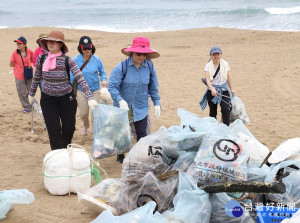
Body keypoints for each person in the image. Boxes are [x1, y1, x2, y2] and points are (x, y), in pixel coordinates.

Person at [28, 31, 98, 150]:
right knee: (53, 130)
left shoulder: (68, 61)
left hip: (67, 99)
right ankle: (57, 154)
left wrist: (90, 98)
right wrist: (32, 93)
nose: (51, 43)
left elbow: (80, 78)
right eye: (49, 41)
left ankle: (65, 150)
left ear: (61, 44)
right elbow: (36, 77)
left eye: (54, 41)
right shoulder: (41, 58)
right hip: (48, 99)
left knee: (68, 129)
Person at [108, 36, 161, 163]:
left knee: (142, 133)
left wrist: (157, 103)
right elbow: (112, 86)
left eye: (144, 54)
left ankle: (139, 158)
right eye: (139, 53)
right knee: (122, 134)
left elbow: (153, 86)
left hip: (141, 106)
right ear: (131, 52)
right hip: (124, 107)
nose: (141, 57)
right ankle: (120, 156)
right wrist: (120, 100)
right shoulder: (122, 67)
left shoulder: (149, 67)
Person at [71, 36, 107, 136]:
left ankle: (95, 131)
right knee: (83, 113)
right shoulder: (75, 60)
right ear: (80, 48)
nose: (87, 50)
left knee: (95, 113)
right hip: (81, 91)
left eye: (89, 48)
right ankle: (85, 126)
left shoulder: (97, 59)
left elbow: (102, 72)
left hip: (95, 90)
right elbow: (71, 75)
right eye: (85, 48)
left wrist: (104, 80)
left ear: (92, 47)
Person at [200, 46, 236, 126]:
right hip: (212, 90)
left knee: (225, 109)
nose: (216, 56)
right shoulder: (208, 66)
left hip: (224, 90)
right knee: (213, 112)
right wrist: (212, 89)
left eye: (218, 54)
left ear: (221, 54)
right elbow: (208, 80)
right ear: (211, 56)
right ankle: (214, 129)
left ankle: (226, 128)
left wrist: (231, 89)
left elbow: (228, 77)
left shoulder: (225, 64)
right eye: (214, 54)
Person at [9, 36, 34, 113]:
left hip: (29, 74)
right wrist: (18, 67)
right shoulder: (15, 53)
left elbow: (32, 59)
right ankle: (26, 107)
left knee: (31, 91)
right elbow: (11, 64)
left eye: (20, 43)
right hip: (19, 75)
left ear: (24, 44)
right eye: (17, 43)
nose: (18, 45)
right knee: (22, 92)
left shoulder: (29, 51)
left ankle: (31, 105)